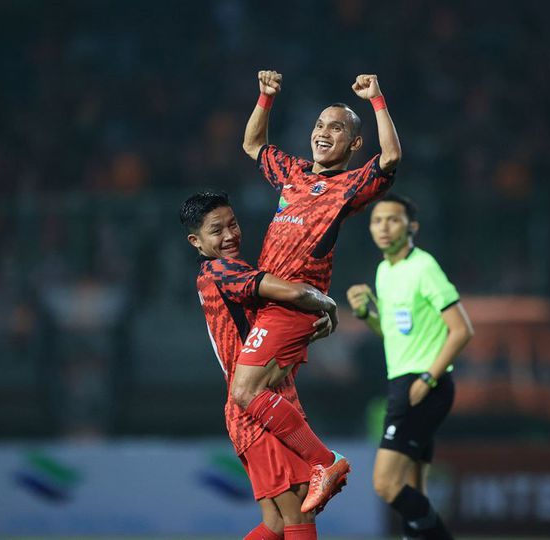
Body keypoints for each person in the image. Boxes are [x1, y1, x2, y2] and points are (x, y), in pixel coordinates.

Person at [237, 69, 402, 512]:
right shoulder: (290, 173)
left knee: (245, 392)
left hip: (294, 303)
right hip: (267, 304)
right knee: (270, 398)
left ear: (352, 145)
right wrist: (265, 98)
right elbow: (253, 145)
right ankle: (302, 474)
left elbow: (390, 157)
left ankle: (325, 462)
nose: (323, 132)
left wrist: (377, 99)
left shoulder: (348, 187)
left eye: (337, 127)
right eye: (319, 124)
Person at [181, 191, 339, 540]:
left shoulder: (218, 274)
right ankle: (327, 460)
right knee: (299, 509)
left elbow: (269, 332)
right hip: (257, 408)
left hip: (254, 406)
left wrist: (311, 329)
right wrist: (328, 306)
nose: (229, 235)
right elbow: (296, 293)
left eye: (233, 224)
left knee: (277, 523)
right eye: (216, 230)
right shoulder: (222, 271)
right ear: (196, 241)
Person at [346, 193, 474, 540]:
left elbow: (462, 330)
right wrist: (365, 314)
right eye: (377, 220)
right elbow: (390, 332)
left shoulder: (424, 267)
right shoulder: (385, 271)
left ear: (411, 227)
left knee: (386, 484)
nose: (383, 227)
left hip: (422, 385)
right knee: (415, 487)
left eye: (393, 219)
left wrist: (428, 378)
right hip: (403, 383)